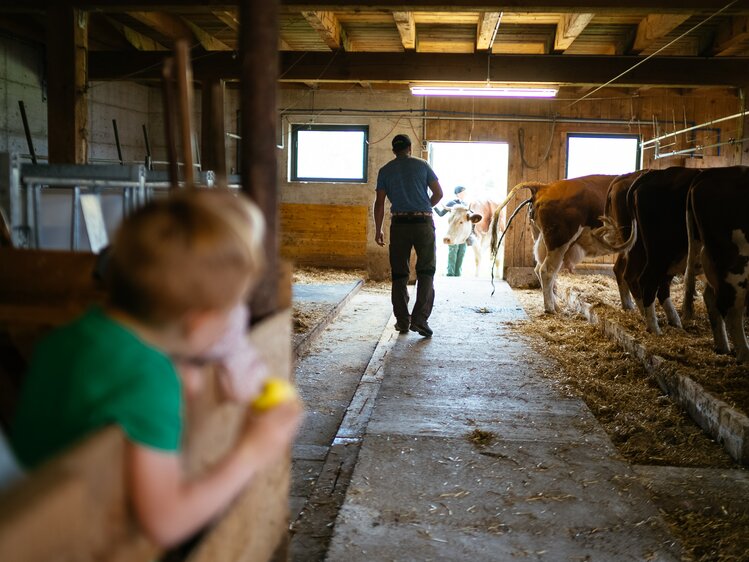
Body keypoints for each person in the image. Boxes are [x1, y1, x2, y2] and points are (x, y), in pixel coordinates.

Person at [10, 189, 304, 548]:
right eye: (230, 312)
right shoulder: (150, 379)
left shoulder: (76, 333)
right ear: (198, 323)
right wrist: (252, 451)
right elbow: (165, 523)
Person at [374, 133, 443, 337]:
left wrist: (378, 229)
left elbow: (379, 203)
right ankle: (420, 320)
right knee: (426, 272)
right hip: (423, 223)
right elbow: (439, 193)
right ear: (410, 148)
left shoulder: (385, 170)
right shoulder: (423, 165)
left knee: (399, 274)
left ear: (394, 150)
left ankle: (403, 322)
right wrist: (424, 207)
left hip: (400, 224)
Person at [434, 185, 470, 276]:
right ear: (457, 193)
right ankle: (450, 273)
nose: (464, 193)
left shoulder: (466, 204)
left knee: (461, 253)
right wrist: (433, 206)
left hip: (463, 234)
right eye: (462, 192)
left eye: (465, 192)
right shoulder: (452, 203)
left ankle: (458, 274)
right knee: (452, 252)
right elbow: (441, 213)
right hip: (453, 232)